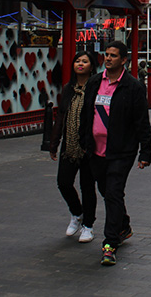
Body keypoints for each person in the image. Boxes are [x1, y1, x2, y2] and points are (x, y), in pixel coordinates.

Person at [79, 41, 151, 266]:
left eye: (113, 56)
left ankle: (110, 244)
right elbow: (86, 114)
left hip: (121, 151)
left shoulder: (133, 87)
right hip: (96, 151)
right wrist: (84, 142)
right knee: (107, 191)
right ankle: (123, 225)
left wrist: (145, 152)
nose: (108, 58)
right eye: (106, 55)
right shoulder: (94, 83)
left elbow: (141, 122)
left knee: (112, 192)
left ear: (123, 60)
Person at [49, 50, 98, 244]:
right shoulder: (68, 88)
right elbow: (61, 116)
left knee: (87, 187)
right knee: (64, 182)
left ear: (91, 66)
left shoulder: (95, 88)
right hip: (69, 146)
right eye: (77, 60)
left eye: (84, 61)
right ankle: (77, 213)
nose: (80, 64)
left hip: (88, 146)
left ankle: (88, 225)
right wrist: (54, 143)